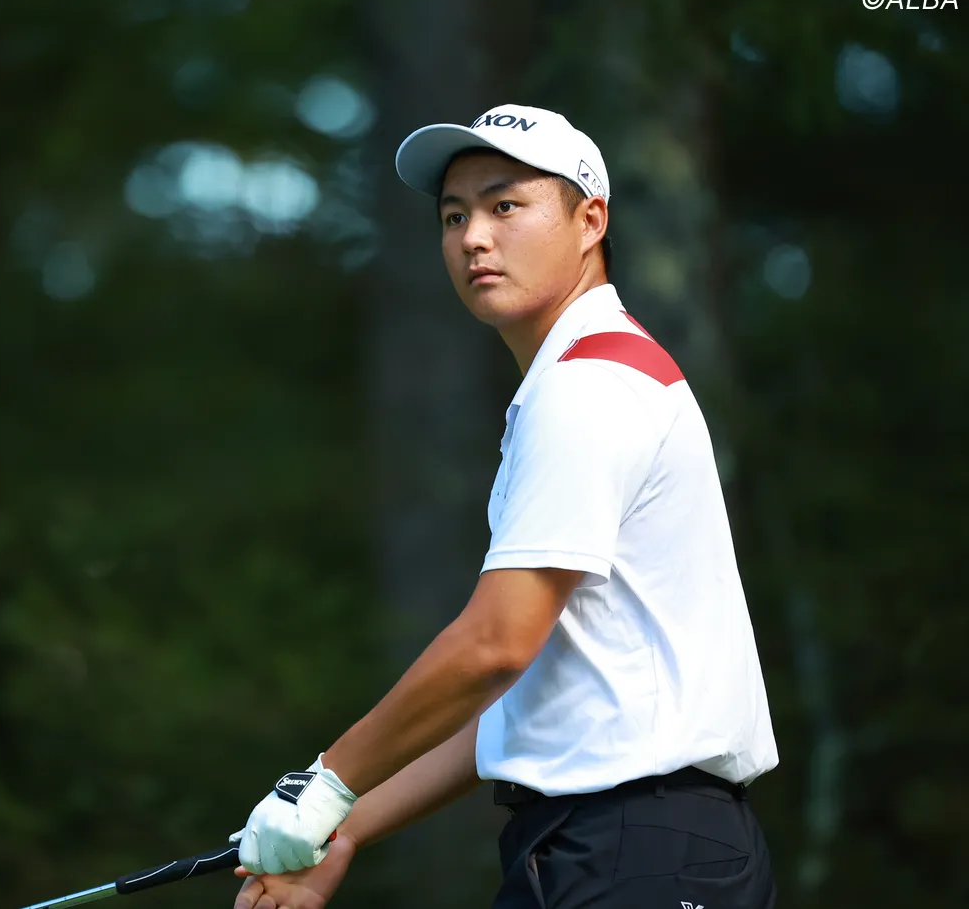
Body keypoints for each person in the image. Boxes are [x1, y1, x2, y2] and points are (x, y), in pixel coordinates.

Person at [228, 104, 780, 909]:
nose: (474, 238)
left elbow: (494, 644)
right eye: (455, 216)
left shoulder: (589, 386)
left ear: (591, 221)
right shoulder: (587, 376)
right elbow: (512, 705)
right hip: (624, 846)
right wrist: (341, 826)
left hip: (636, 848)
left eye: (505, 205)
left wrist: (322, 784)